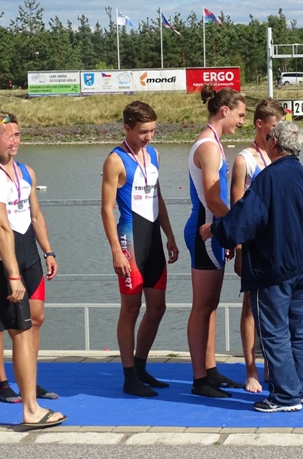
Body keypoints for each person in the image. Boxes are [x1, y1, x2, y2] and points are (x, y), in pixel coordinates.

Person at [202, 121, 303, 412]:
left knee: (274, 330)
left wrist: (215, 229)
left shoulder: (268, 178)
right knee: (299, 326)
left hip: (274, 264)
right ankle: (301, 388)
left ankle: (284, 396)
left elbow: (244, 220)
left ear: (273, 143)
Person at [101, 101, 179, 397]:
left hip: (154, 239)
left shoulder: (154, 154)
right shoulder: (115, 160)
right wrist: (115, 251)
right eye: (143, 132)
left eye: (153, 130)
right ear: (127, 128)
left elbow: (158, 196)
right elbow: (106, 209)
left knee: (157, 308)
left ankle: (141, 365)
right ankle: (129, 375)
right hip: (130, 240)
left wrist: (169, 235)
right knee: (131, 308)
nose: (149, 136)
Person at [0, 111, 66, 426]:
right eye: (10, 135)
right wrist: (13, 275)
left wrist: (48, 250)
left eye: (19, 135)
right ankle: (26, 405)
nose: (15, 141)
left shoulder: (25, 172)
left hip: (27, 255)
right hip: (3, 261)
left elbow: (35, 214)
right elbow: (0, 228)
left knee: (32, 323)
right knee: (16, 331)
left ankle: (30, 388)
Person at [185, 86, 245, 398]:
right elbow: (212, 199)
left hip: (213, 228)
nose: (241, 121)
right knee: (202, 306)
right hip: (205, 231)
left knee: (211, 305)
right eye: (240, 115)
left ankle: (210, 370)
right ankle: (199, 379)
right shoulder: (208, 146)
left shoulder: (214, 143)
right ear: (225, 111)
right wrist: (238, 224)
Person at [229, 98, 283, 393]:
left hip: (277, 241)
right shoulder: (244, 159)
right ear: (259, 125)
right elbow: (237, 209)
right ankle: (251, 369)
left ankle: (272, 365)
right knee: (251, 305)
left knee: (278, 305)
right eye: (274, 127)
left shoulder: (281, 156)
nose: (277, 133)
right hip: (252, 242)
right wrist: (238, 249)